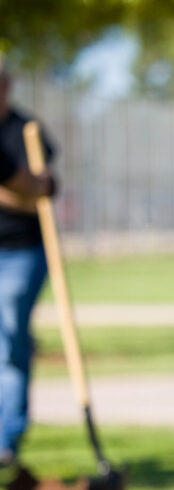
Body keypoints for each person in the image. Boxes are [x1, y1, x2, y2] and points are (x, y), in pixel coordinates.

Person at [0, 57, 56, 468]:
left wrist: (31, 189)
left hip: (21, 252)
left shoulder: (26, 132)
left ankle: (6, 441)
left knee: (8, 339)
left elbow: (41, 188)